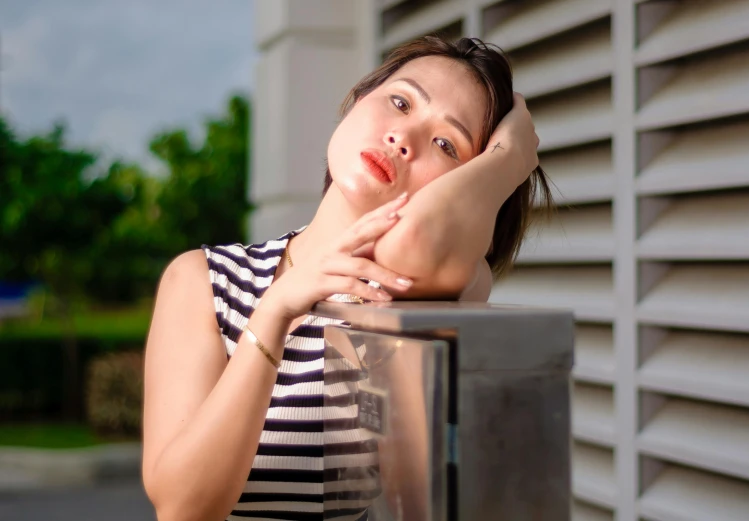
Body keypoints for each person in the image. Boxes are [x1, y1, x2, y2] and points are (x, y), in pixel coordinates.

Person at [141, 35, 550, 521]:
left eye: (446, 144)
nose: (403, 139)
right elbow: (183, 508)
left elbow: (417, 238)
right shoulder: (207, 280)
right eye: (400, 102)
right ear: (357, 102)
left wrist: (510, 159)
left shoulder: (426, 294)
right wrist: (272, 314)